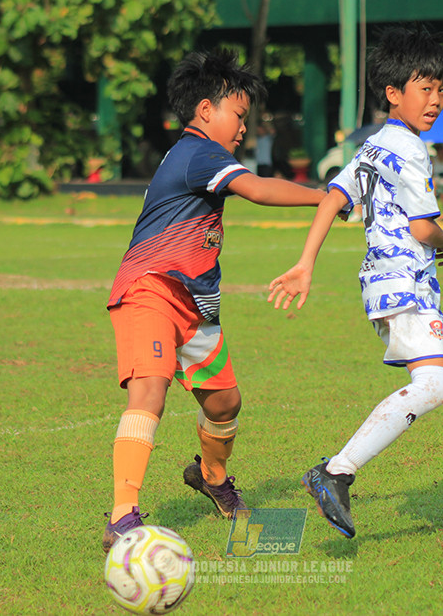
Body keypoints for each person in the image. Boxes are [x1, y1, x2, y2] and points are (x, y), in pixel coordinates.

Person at [267, 25, 443, 554]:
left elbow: (331, 199)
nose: (435, 100)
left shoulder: (373, 145)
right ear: (393, 92)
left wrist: (305, 263)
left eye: (441, 89)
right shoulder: (409, 149)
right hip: (402, 286)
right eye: (425, 88)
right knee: (434, 386)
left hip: (401, 287)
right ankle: (335, 471)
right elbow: (422, 228)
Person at [103, 49, 326, 552]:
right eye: (239, 115)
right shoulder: (198, 152)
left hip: (195, 302)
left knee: (225, 403)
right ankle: (122, 517)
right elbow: (259, 190)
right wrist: (326, 196)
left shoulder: (198, 153)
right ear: (206, 110)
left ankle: (211, 476)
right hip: (150, 289)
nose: (244, 128)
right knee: (150, 392)